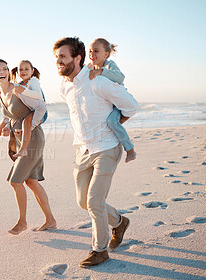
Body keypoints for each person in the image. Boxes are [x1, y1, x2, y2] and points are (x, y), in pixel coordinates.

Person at [53, 37, 139, 267]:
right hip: (82, 149)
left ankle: (99, 250)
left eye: (62, 56)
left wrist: (114, 124)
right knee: (83, 201)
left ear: (77, 57)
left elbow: (131, 104)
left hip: (107, 147)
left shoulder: (98, 81)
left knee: (94, 201)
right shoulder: (64, 87)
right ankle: (119, 223)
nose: (58, 61)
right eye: (56, 57)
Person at [0, 59, 56, 235]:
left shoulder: (19, 90)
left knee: (15, 181)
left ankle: (22, 222)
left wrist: (29, 125)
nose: (2, 71)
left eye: (5, 68)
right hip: (19, 139)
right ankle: (50, 220)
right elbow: (8, 117)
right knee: (31, 181)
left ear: (8, 72)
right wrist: (5, 129)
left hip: (32, 139)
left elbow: (40, 107)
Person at [87, 38, 137, 163]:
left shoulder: (109, 65)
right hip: (105, 102)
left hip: (117, 104)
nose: (92, 54)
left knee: (111, 122)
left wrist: (101, 71)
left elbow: (120, 77)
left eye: (96, 51)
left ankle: (130, 149)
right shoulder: (89, 67)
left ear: (106, 54)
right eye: (90, 51)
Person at [10, 60, 48, 158]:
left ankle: (23, 149)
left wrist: (23, 90)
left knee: (26, 123)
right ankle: (24, 135)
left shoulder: (34, 81)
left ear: (32, 71)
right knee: (24, 122)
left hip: (41, 110)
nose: (23, 71)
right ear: (17, 72)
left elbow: (38, 95)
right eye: (21, 70)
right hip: (32, 109)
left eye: (26, 69)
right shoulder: (19, 84)